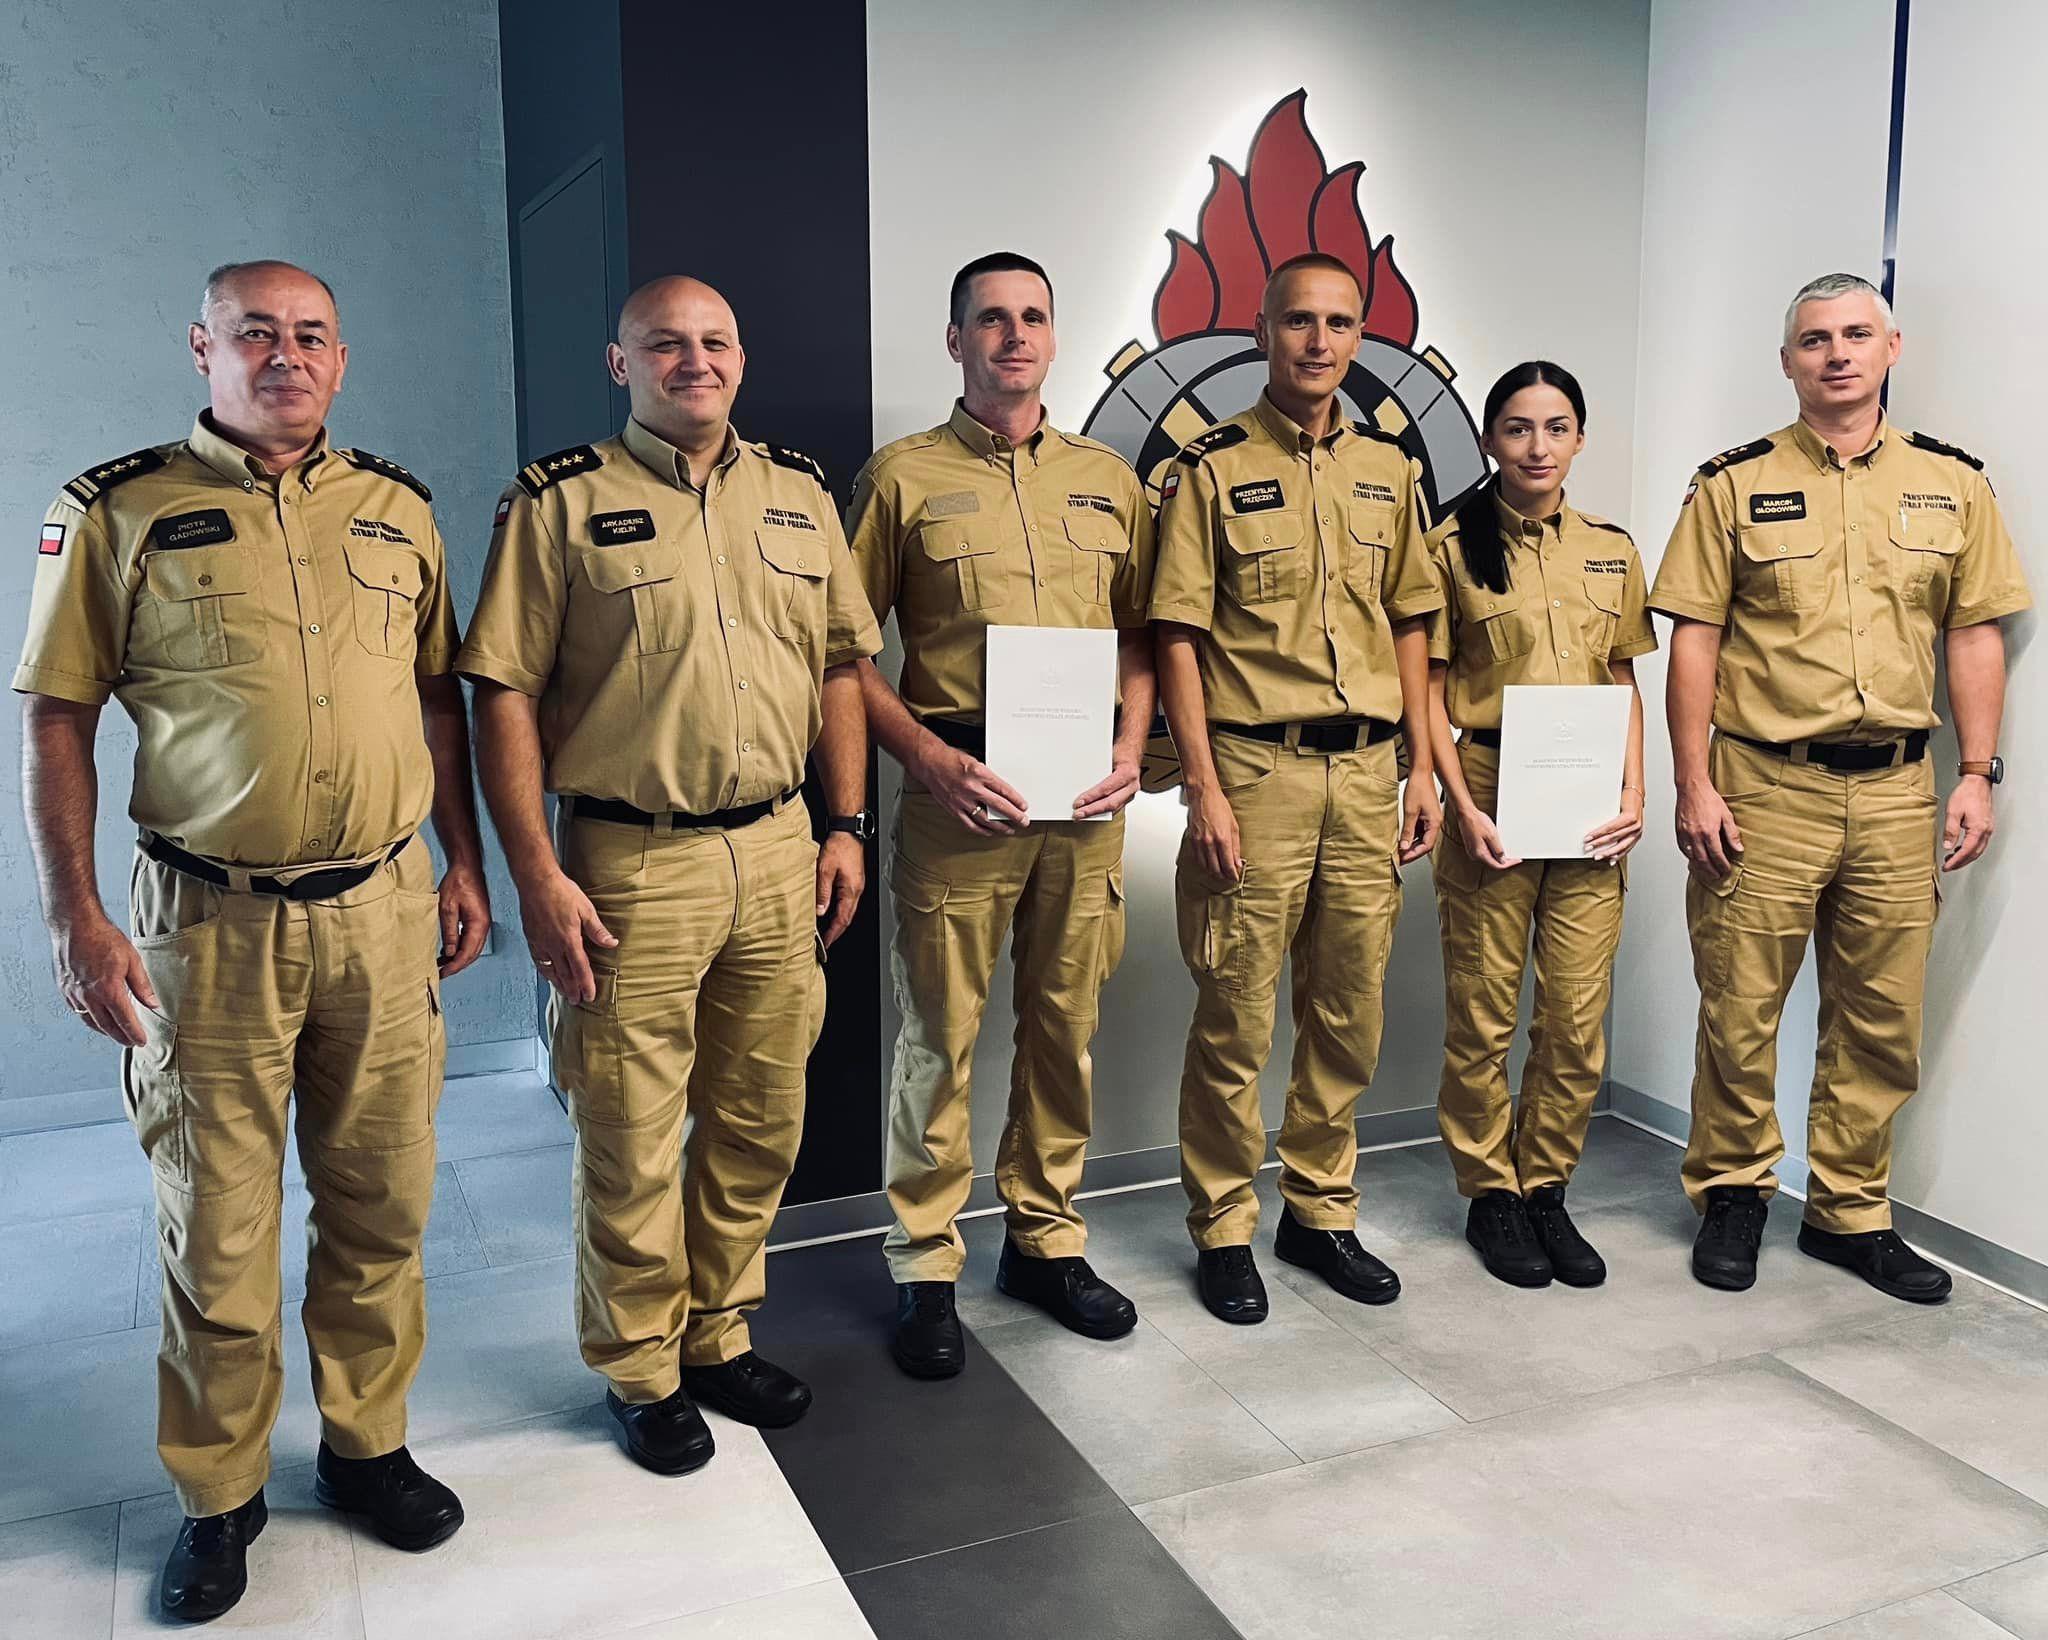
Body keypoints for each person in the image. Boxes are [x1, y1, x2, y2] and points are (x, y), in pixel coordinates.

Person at [15, 261, 487, 1621]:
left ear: (340, 358)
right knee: (217, 1229)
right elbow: (57, 714)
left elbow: (436, 698)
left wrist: (461, 859)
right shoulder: (117, 510)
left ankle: (367, 1445)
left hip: (384, 909)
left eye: (311, 335)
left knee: (381, 1201)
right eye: (256, 333)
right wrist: (74, 913)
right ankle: (218, 1496)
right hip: (206, 926)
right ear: (203, 349)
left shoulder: (397, 507)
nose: (286, 354)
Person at [460, 275, 878, 1474]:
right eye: (663, 343)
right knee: (631, 1130)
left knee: (759, 1114)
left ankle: (716, 1331)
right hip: (629, 859)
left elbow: (839, 667)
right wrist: (535, 870)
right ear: (620, 363)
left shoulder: (797, 493)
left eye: (713, 341)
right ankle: (640, 1368)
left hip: (779, 847)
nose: (693, 360)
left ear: (740, 357)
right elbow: (503, 692)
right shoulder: (559, 501)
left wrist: (846, 823)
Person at [1650, 272, 2030, 1301]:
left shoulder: (1952, 485)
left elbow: (1973, 633)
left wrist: (1977, 773)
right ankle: (1733, 1192)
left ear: (1890, 347)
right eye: (1814, 339)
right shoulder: (1730, 484)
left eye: (1856, 334)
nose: (1837, 354)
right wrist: (1692, 781)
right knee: (1740, 1004)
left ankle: (1849, 1211)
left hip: (1901, 790)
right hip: (1763, 786)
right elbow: (1694, 639)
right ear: (1786, 361)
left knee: (1880, 1014)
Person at [846, 252, 1157, 1379]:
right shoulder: (900, 478)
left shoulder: (1109, 481)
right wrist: (927, 759)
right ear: (955, 339)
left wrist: (1131, 747)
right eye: (990, 318)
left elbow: (1141, 637)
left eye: (1031, 316)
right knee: (938, 1037)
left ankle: (1044, 1240)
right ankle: (924, 1261)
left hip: (1082, 800)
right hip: (960, 794)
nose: (1013, 335)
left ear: (1053, 337)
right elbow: (842, 651)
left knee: (1064, 1025)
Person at [1150, 251, 1443, 1326]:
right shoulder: (1208, 468)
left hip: (1365, 774)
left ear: (1360, 337)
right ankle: (1224, 1224)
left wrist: (1419, 765)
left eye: (1338, 323)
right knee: (1235, 1013)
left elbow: (1410, 621)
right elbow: (1175, 635)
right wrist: (1203, 787)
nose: (1318, 341)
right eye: (1297, 321)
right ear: (1261, 332)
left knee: (1347, 1008)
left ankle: (1318, 1210)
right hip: (1255, 770)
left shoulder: (1389, 472)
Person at [1423, 361, 1655, 1289]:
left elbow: (1623, 678)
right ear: (1490, 439)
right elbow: (1429, 688)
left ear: (1580, 439)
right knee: (1482, 1011)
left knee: (1574, 1015)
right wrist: (1459, 802)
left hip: (1590, 796)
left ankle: (1546, 1184)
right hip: (1490, 784)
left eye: (1556, 428)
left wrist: (1638, 791)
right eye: (1518, 428)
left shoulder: (1611, 550)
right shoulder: (1448, 546)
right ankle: (1492, 1192)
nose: (1537, 446)